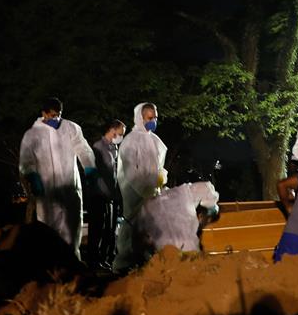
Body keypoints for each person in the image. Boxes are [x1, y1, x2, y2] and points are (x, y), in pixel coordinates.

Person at [19, 97, 96, 259]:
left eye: (59, 115)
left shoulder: (70, 128)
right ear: (44, 113)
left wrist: (89, 167)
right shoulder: (32, 135)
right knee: (48, 230)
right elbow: (26, 161)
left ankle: (73, 261)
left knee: (73, 227)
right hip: (47, 191)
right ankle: (50, 264)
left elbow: (83, 149)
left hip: (70, 188)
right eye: (53, 115)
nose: (56, 119)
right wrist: (33, 177)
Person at [113, 102, 168, 272]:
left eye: (155, 117)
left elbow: (159, 166)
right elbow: (130, 171)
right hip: (134, 193)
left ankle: (146, 260)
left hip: (152, 191)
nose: (153, 121)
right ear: (140, 118)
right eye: (149, 118)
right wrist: (144, 190)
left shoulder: (155, 140)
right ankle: (123, 263)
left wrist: (160, 178)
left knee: (150, 228)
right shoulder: (131, 141)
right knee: (131, 226)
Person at [135, 181, 220, 259]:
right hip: (182, 253)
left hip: (164, 255)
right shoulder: (182, 194)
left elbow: (205, 189)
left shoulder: (183, 195)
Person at [86, 119, 125, 268]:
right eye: (120, 133)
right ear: (112, 130)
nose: (121, 136)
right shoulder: (98, 147)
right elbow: (95, 173)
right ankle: (93, 260)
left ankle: (105, 258)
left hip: (111, 196)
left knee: (109, 230)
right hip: (98, 195)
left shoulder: (114, 148)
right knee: (97, 229)